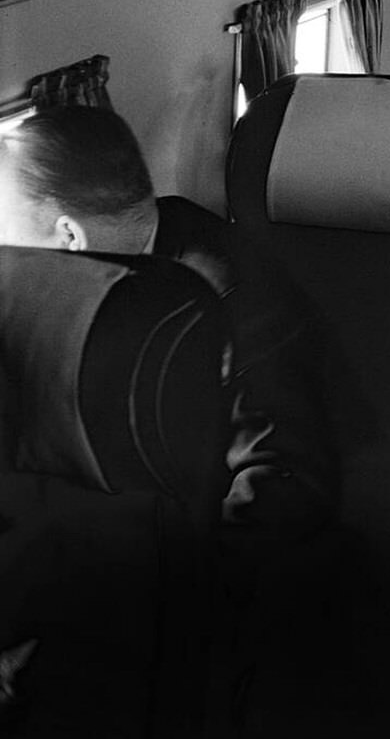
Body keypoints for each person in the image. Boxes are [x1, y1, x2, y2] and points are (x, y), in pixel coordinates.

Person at [0, 105, 336, 534]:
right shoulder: (118, 282)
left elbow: (281, 486)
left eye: (11, 241)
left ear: (70, 237)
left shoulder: (235, 304)